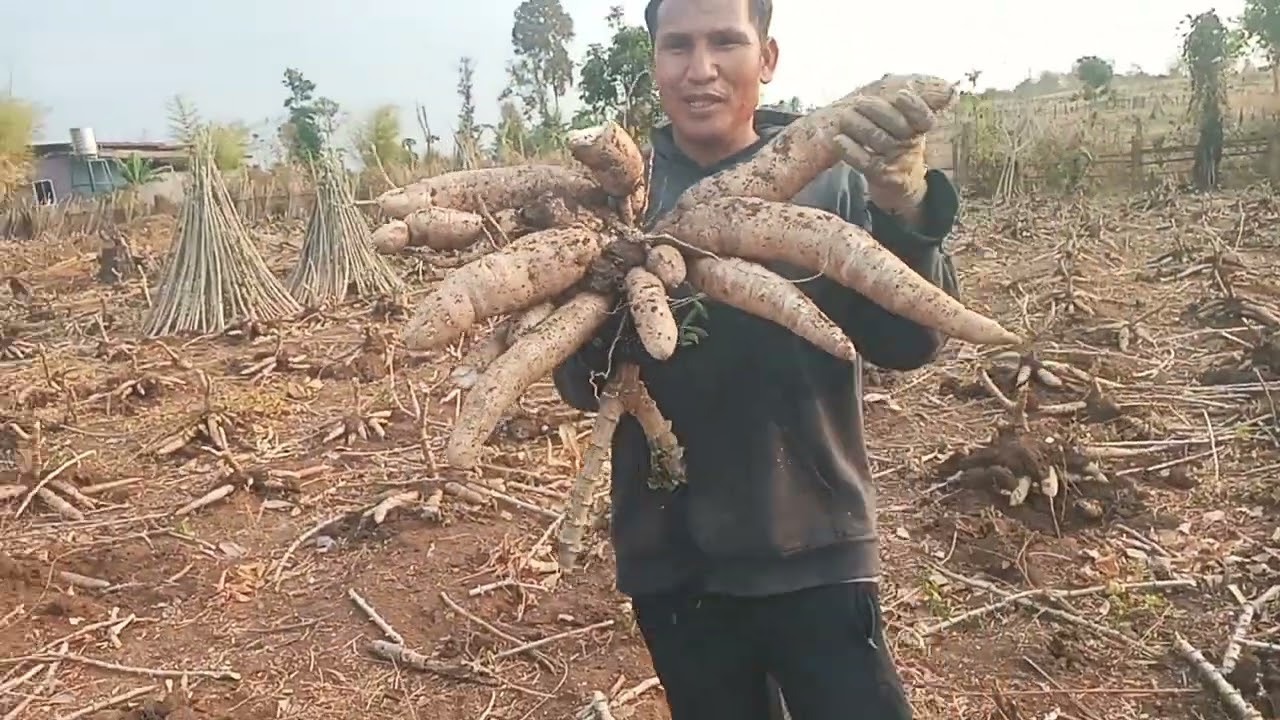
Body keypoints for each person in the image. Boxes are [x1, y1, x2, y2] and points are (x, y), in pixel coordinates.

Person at [552, 0, 961, 718]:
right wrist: (611, 295)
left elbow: (908, 342)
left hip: (814, 541)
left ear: (767, 58)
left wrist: (905, 207)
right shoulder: (612, 202)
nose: (700, 69)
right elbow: (578, 383)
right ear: (655, 62)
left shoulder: (832, 182)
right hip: (673, 558)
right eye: (678, 46)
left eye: (725, 42)